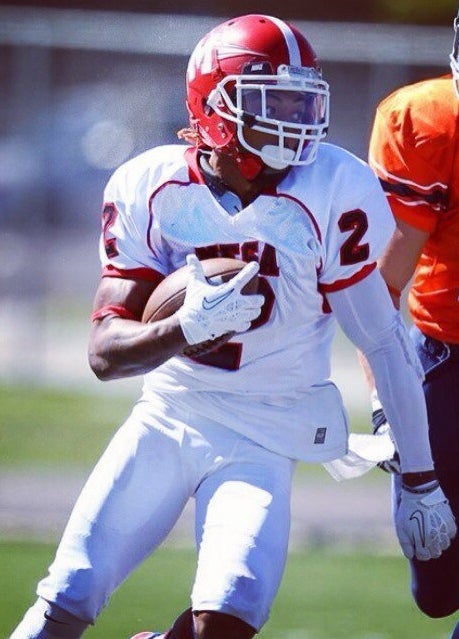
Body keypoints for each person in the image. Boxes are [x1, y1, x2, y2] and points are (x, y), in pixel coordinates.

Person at [8, 13, 456, 639]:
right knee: (68, 596)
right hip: (171, 415)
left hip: (266, 432)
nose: (296, 122)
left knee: (233, 613)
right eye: (276, 102)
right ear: (215, 106)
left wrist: (421, 478)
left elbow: (382, 340)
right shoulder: (152, 184)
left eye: (305, 101)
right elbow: (105, 353)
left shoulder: (333, 188)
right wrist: (182, 329)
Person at [359, 7, 459, 639]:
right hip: (443, 355)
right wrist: (383, 406)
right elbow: (378, 290)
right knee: (437, 587)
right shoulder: (430, 122)